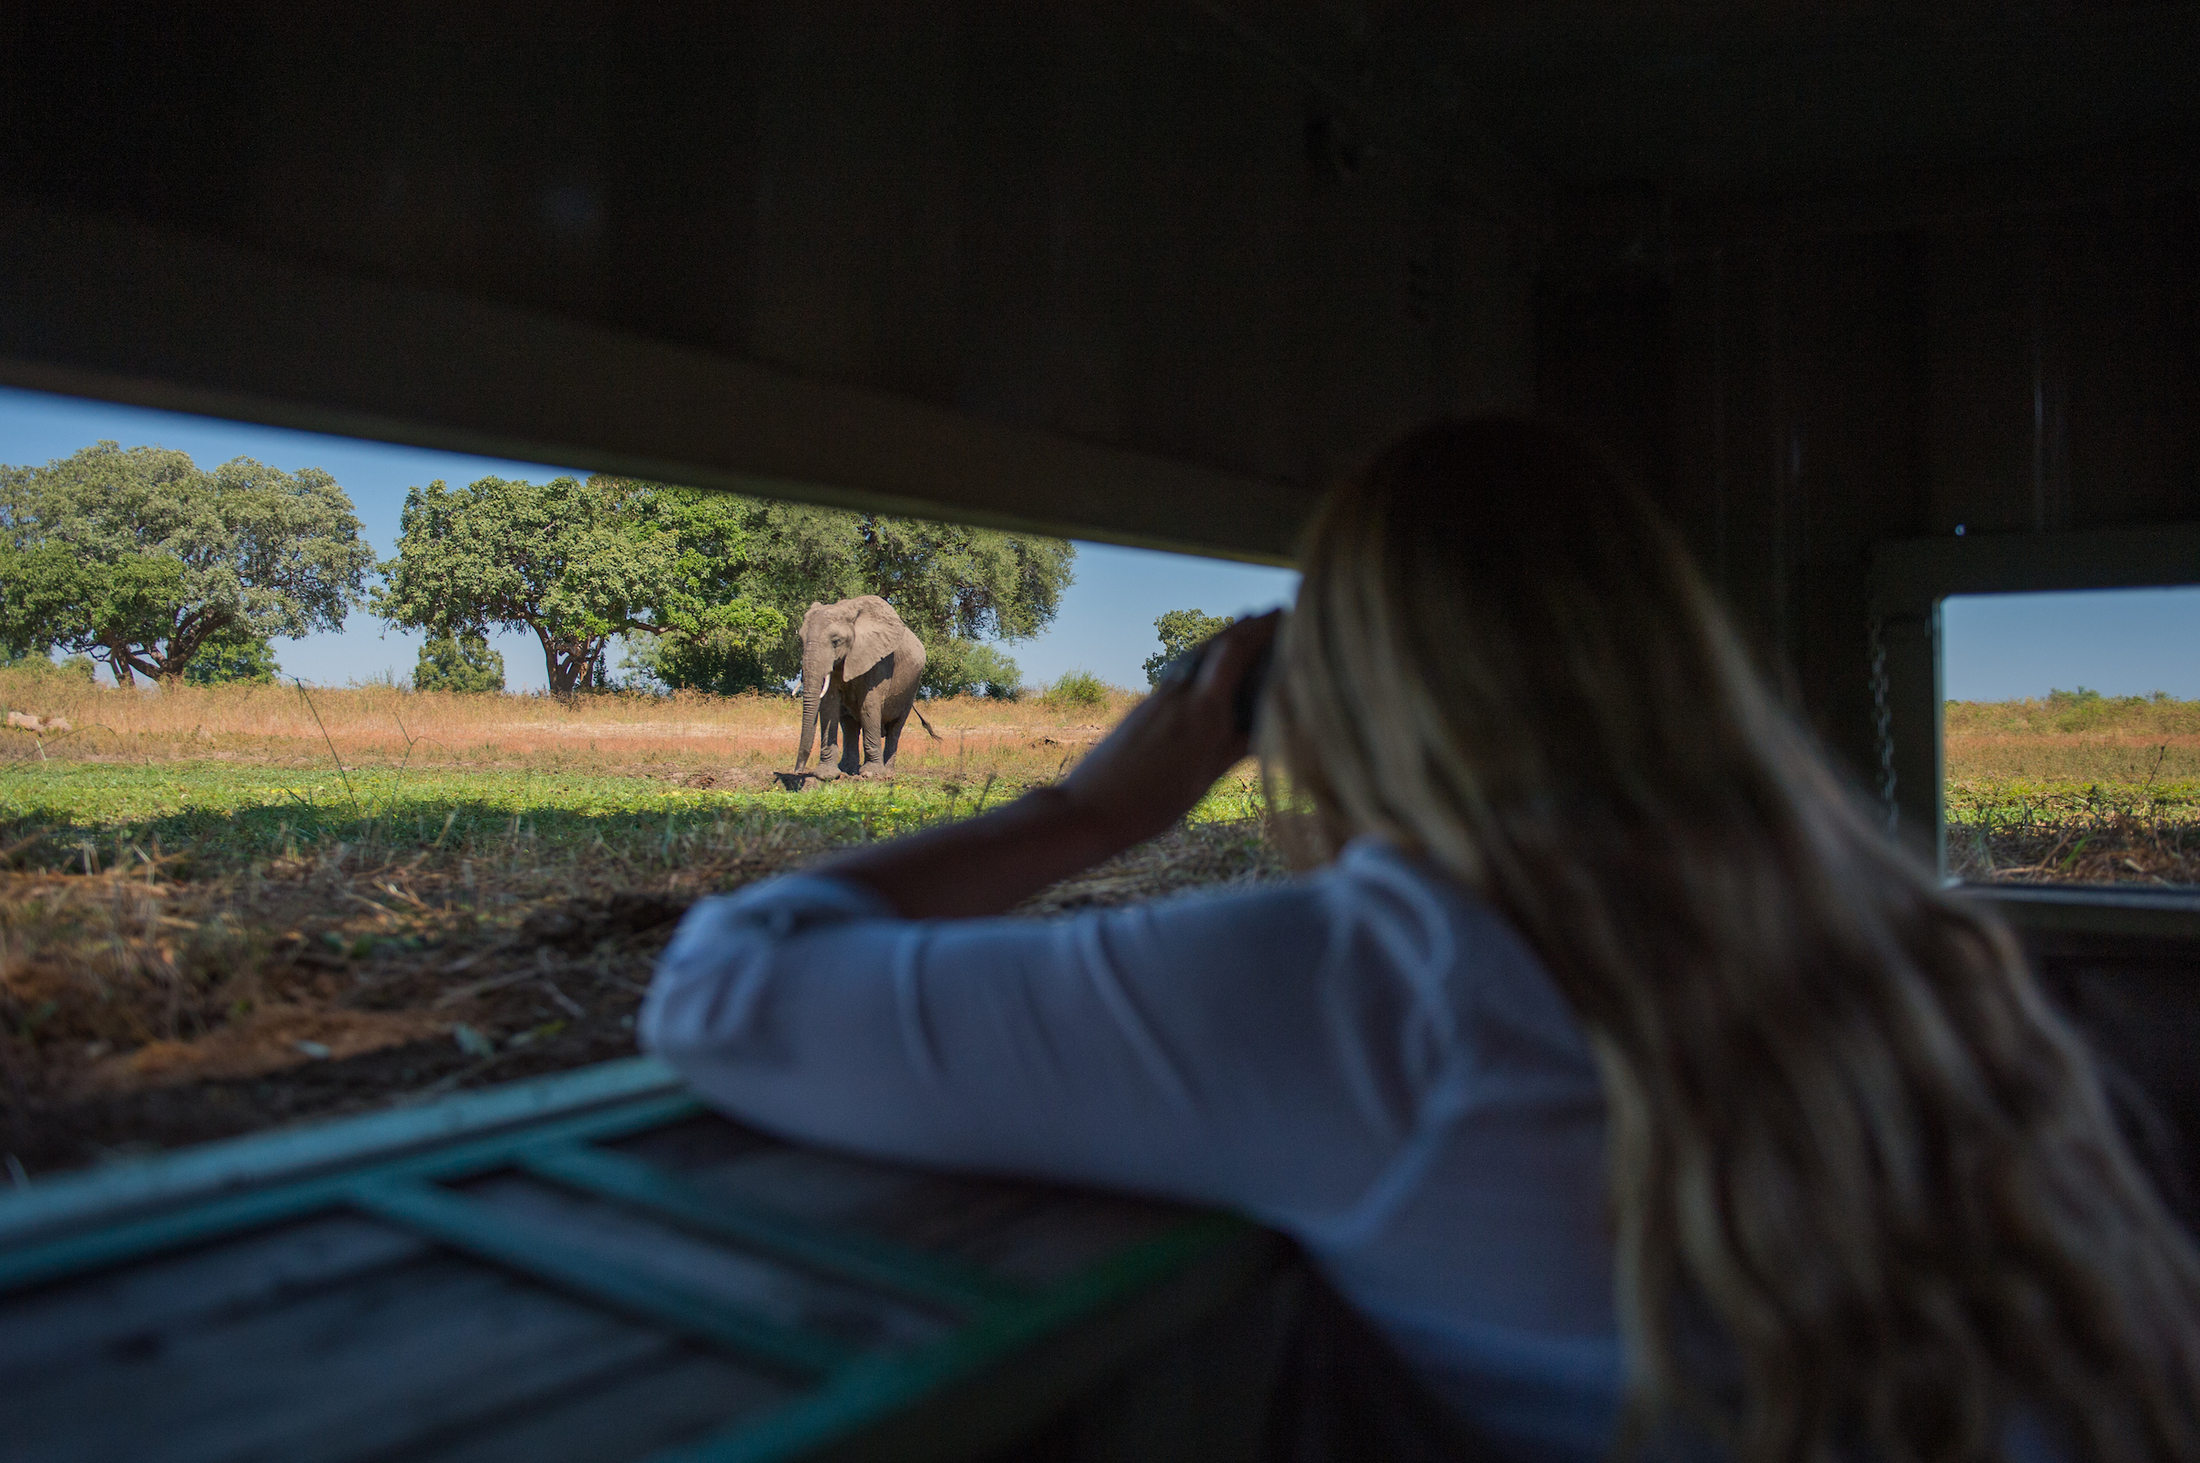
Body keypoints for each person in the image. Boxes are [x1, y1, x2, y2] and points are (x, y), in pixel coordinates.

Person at [642, 417, 2200, 1463]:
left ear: (1321, 695)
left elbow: (723, 991)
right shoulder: (1897, 937)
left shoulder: (1384, 979)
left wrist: (1090, 809)